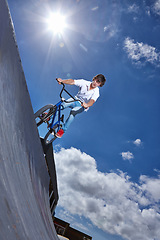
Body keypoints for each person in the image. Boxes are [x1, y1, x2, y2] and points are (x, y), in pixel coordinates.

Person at [56, 74, 106, 138]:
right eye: (96, 80)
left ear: (100, 85)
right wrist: (62, 81)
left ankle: (62, 130)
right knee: (63, 105)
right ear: (94, 79)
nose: (95, 83)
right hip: (75, 99)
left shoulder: (96, 92)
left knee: (73, 112)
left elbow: (92, 101)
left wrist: (87, 104)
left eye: (98, 83)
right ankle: (49, 115)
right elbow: (72, 81)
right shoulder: (84, 82)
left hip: (82, 106)